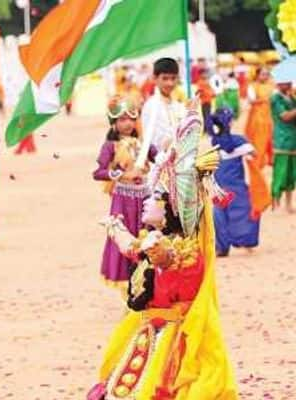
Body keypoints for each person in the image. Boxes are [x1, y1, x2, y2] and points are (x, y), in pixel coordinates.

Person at [90, 106, 237, 400]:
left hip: (172, 334)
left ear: (170, 208)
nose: (147, 201)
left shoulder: (182, 248)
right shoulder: (155, 238)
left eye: (155, 198)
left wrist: (153, 248)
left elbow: (163, 257)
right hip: (150, 328)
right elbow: (135, 250)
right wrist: (116, 230)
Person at [92, 98, 156, 289]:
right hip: (123, 201)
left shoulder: (143, 144)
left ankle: (146, 283)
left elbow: (158, 157)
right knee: (125, 239)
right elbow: (98, 173)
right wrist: (122, 174)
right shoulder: (110, 146)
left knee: (147, 237)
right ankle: (126, 286)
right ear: (114, 123)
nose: (127, 123)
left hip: (144, 198)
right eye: (121, 119)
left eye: (130, 119)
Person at [207, 108, 268, 256]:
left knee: (219, 214)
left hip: (220, 184)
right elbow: (255, 154)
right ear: (230, 122)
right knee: (246, 211)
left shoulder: (214, 142)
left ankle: (221, 247)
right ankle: (246, 241)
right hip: (237, 185)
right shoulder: (239, 141)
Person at [140, 58, 186, 157]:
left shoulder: (178, 106)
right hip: (159, 163)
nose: (170, 83)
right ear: (155, 78)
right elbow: (152, 140)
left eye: (173, 78)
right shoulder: (151, 106)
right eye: (165, 78)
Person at [270, 77, 296, 212]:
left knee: (291, 174)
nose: (290, 84)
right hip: (282, 140)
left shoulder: (291, 97)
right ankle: (275, 202)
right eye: (286, 82)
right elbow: (285, 116)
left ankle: (288, 204)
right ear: (279, 83)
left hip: (293, 140)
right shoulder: (276, 98)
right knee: (281, 173)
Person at [245, 68, 276, 167]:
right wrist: (265, 99)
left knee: (271, 138)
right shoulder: (252, 86)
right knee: (259, 139)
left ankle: (271, 159)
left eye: (267, 74)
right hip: (257, 117)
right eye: (263, 74)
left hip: (269, 116)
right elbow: (251, 100)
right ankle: (258, 161)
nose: (265, 76)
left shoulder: (271, 86)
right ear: (257, 75)